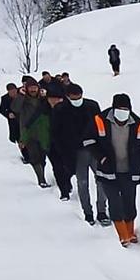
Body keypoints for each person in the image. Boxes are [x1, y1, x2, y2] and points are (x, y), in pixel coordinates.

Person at [90, 93, 140, 246]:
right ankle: (122, 235)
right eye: (119, 108)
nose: (122, 112)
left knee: (129, 201)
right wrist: (102, 158)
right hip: (107, 171)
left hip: (130, 171)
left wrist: (139, 164)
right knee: (115, 202)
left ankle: (131, 232)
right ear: (113, 108)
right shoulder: (100, 120)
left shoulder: (138, 123)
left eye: (125, 109)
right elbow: (89, 141)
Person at [54, 84, 105, 223]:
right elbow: (56, 134)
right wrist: (64, 154)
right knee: (82, 183)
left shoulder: (92, 106)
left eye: (79, 97)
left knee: (102, 180)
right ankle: (87, 213)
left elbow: (101, 128)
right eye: (74, 97)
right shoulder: (60, 110)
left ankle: (102, 211)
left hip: (95, 150)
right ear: (68, 96)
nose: (77, 99)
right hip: (75, 153)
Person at [11, 78, 52, 189]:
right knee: (34, 156)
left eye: (35, 87)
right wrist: (21, 95)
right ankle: (41, 179)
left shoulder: (42, 99)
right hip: (28, 132)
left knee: (42, 156)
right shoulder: (23, 100)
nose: (33, 90)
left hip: (43, 132)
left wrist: (45, 97)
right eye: (30, 88)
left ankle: (42, 175)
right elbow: (15, 108)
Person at [45, 81, 71, 200]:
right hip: (50, 144)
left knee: (69, 167)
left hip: (66, 144)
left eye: (57, 99)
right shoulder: (43, 110)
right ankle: (64, 192)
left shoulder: (68, 109)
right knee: (57, 167)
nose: (54, 101)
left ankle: (67, 182)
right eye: (52, 99)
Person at [0, 83, 28, 162]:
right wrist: (8, 114)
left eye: (14, 91)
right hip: (15, 123)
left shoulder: (22, 93)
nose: (13, 93)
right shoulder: (4, 98)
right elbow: (1, 110)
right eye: (10, 92)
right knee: (19, 139)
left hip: (25, 120)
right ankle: (26, 157)